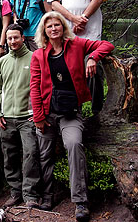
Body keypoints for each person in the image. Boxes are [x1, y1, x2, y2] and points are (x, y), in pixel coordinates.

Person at [30, 11, 114, 221]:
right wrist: (39, 117)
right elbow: (35, 87)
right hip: (48, 113)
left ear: (63, 27)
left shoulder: (77, 45)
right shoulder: (39, 55)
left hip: (70, 113)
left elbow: (107, 45)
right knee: (44, 153)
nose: (54, 29)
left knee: (74, 145)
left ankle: (80, 201)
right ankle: (48, 195)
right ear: (44, 31)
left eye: (57, 24)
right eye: (49, 26)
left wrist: (93, 57)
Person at [47, 0, 106, 114]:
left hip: (90, 31)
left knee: (92, 70)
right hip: (68, 33)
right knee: (69, 72)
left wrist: (83, 18)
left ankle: (96, 112)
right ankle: (72, 110)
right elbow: (55, 3)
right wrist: (73, 19)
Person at [0, 23, 40, 209]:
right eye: (9, 38)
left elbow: (42, 87)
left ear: (23, 37)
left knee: (31, 153)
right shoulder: (2, 62)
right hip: (6, 119)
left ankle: (30, 195)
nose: (12, 41)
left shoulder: (34, 58)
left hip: (27, 118)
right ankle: (15, 192)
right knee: (9, 156)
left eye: (15, 37)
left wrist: (37, 113)